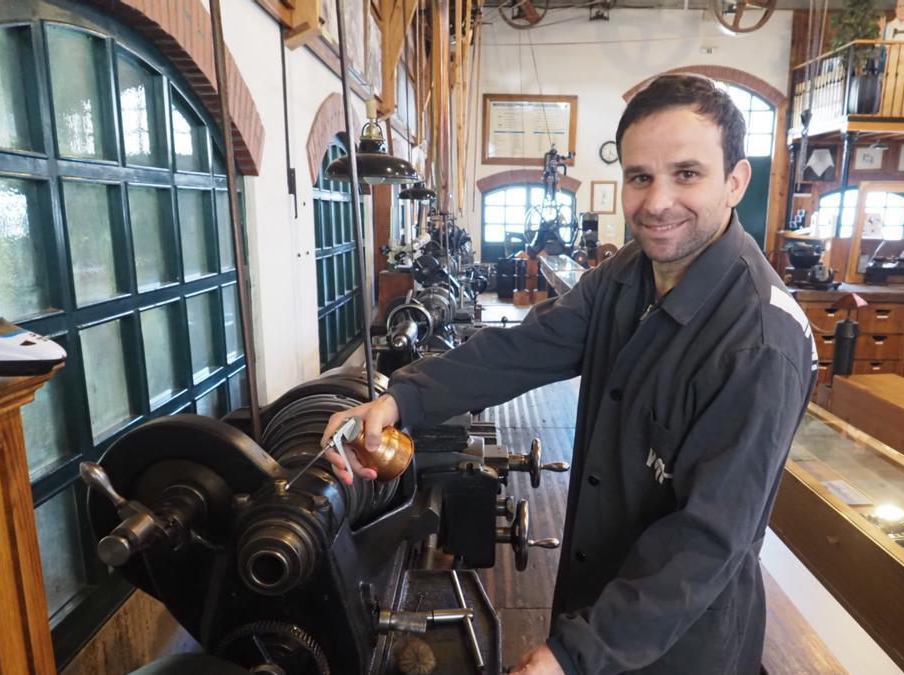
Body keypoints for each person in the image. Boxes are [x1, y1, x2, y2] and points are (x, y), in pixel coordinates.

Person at [321, 74, 817, 674]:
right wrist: (399, 399)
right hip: (594, 593)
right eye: (640, 177)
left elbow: (705, 542)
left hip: (676, 643)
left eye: (687, 174)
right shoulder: (630, 273)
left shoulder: (761, 344)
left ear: (736, 181)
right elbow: (525, 347)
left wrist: (574, 655)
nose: (657, 201)